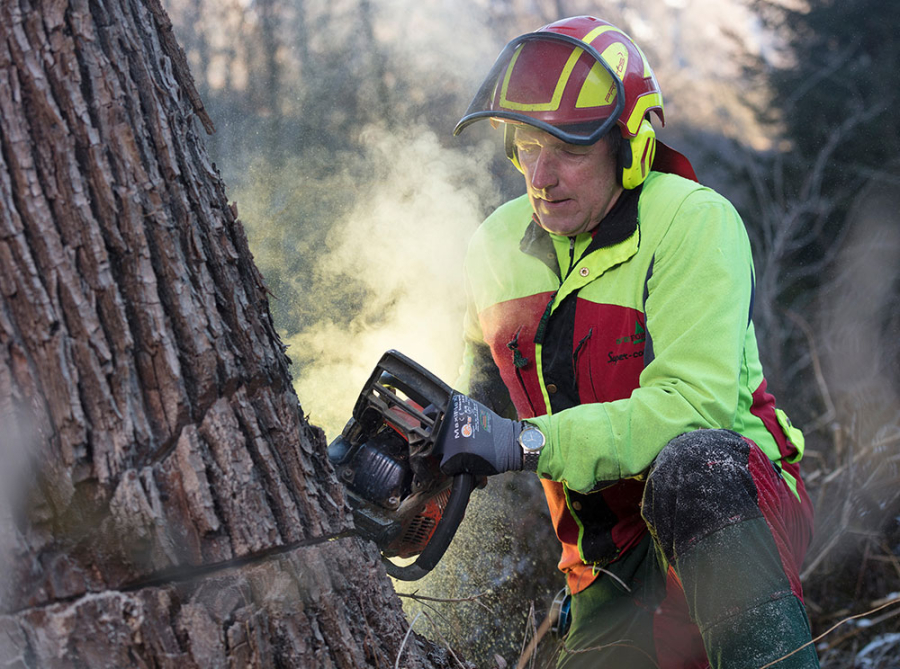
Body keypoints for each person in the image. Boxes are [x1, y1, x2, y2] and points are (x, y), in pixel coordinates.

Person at [434, 15, 819, 669]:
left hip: (733, 509)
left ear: (628, 145)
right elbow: (471, 397)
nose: (542, 175)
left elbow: (688, 411)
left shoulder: (692, 222)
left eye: (570, 151)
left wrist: (530, 442)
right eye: (527, 145)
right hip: (604, 565)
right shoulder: (494, 249)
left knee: (693, 464)